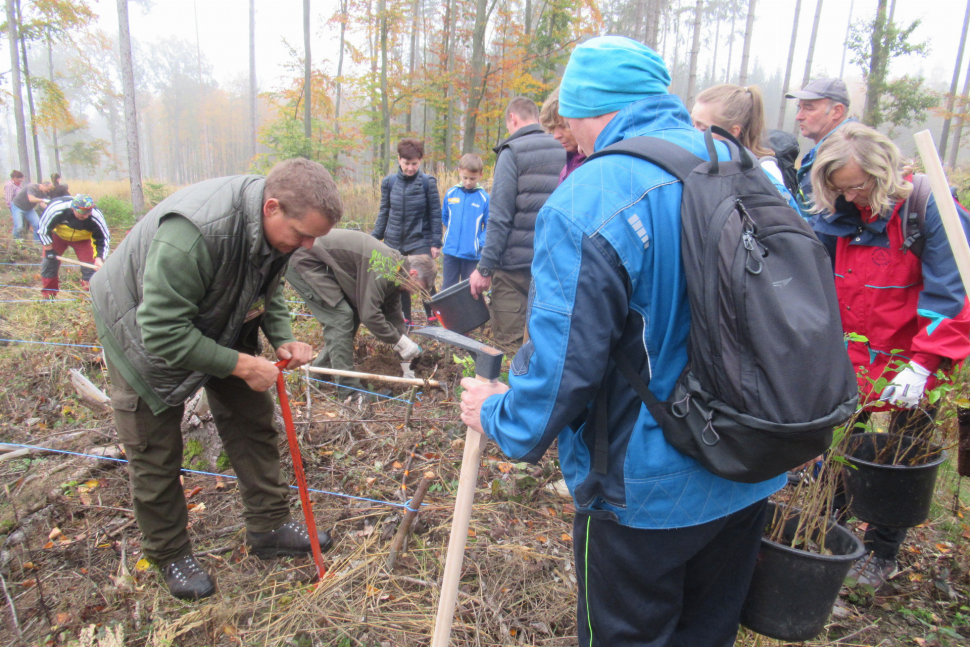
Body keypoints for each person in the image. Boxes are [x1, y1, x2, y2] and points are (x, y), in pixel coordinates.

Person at [460, 36, 785, 647]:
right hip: (751, 465)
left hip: (647, 491)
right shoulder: (742, 166)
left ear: (588, 108)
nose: (572, 138)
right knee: (705, 634)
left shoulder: (593, 195)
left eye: (571, 120)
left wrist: (498, 414)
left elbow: (563, 370)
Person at [90, 158, 341, 601]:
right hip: (140, 331)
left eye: (314, 238)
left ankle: (269, 526)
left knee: (252, 419)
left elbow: (270, 287)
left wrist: (282, 340)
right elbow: (162, 331)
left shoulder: (276, 235)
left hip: (219, 316)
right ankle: (170, 554)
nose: (306, 246)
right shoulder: (193, 235)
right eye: (302, 235)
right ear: (272, 207)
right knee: (155, 449)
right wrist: (242, 365)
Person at [811, 123, 970, 590]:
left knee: (905, 452)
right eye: (841, 188)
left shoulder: (930, 210)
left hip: (913, 356)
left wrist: (924, 364)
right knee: (838, 443)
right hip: (850, 354)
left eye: (860, 185)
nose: (853, 196)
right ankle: (831, 526)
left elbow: (954, 293)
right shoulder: (836, 214)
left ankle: (883, 550)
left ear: (884, 175)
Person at [469, 96, 564, 346]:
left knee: (509, 345)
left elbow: (499, 217)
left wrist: (485, 268)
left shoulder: (512, 151)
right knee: (545, 343)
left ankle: (507, 382)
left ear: (512, 118)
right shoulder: (565, 145)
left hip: (514, 271)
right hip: (555, 264)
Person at [285, 229, 421, 398]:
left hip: (319, 260)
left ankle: (319, 373)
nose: (415, 294)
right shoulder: (386, 265)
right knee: (340, 317)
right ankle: (349, 392)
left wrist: (405, 353)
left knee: (350, 314)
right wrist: (399, 341)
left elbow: (392, 313)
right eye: (418, 288)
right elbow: (370, 316)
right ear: (413, 274)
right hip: (304, 259)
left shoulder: (396, 272)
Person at [690, 83, 800, 212]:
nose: (692, 134)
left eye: (703, 129)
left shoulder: (763, 173)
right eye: (692, 124)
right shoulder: (700, 161)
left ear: (732, 132)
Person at [372, 138, 442, 323]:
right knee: (400, 280)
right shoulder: (389, 182)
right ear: (399, 159)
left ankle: (433, 315)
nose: (410, 168)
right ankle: (406, 319)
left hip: (419, 239)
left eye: (414, 164)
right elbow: (384, 211)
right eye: (406, 163)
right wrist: (374, 238)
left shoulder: (428, 183)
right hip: (394, 240)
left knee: (424, 277)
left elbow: (435, 213)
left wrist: (436, 242)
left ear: (420, 161)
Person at [785, 77, 855, 217]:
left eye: (809, 108)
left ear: (836, 111)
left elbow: (836, 221)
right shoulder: (825, 149)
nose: (799, 116)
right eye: (800, 108)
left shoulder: (849, 152)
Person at [38, 194, 110, 297]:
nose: (86, 216)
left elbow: (104, 237)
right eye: (83, 213)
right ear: (73, 209)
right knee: (49, 264)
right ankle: (49, 296)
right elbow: (43, 229)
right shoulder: (57, 208)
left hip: (83, 240)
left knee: (91, 269)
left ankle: (89, 297)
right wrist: (49, 250)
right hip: (58, 236)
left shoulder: (95, 216)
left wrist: (99, 258)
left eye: (88, 212)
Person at [440, 153, 489, 289]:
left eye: (472, 179)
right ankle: (448, 311)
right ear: (459, 172)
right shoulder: (451, 194)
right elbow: (445, 216)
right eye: (465, 177)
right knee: (448, 289)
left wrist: (479, 242)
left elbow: (489, 225)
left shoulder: (484, 198)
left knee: (469, 289)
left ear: (481, 175)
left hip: (472, 255)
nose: (468, 182)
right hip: (450, 252)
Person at [539, 86, 587, 183]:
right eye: (552, 128)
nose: (556, 136)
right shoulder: (568, 166)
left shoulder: (595, 165)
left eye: (564, 126)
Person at [11, 179, 51, 243]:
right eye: (48, 189)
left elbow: (41, 204)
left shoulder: (43, 193)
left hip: (29, 209)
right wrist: (43, 200)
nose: (48, 191)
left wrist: (50, 208)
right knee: (19, 227)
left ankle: (37, 242)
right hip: (18, 207)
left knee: (37, 225)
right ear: (44, 185)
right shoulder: (32, 187)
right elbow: (31, 199)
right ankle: (15, 242)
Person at [4, 170, 25, 239]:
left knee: (22, 223)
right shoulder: (10, 186)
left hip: (21, 207)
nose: (21, 180)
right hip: (15, 207)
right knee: (18, 225)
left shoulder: (18, 184)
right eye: (19, 178)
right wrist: (12, 210)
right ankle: (15, 240)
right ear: (14, 178)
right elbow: (8, 200)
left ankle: (21, 238)